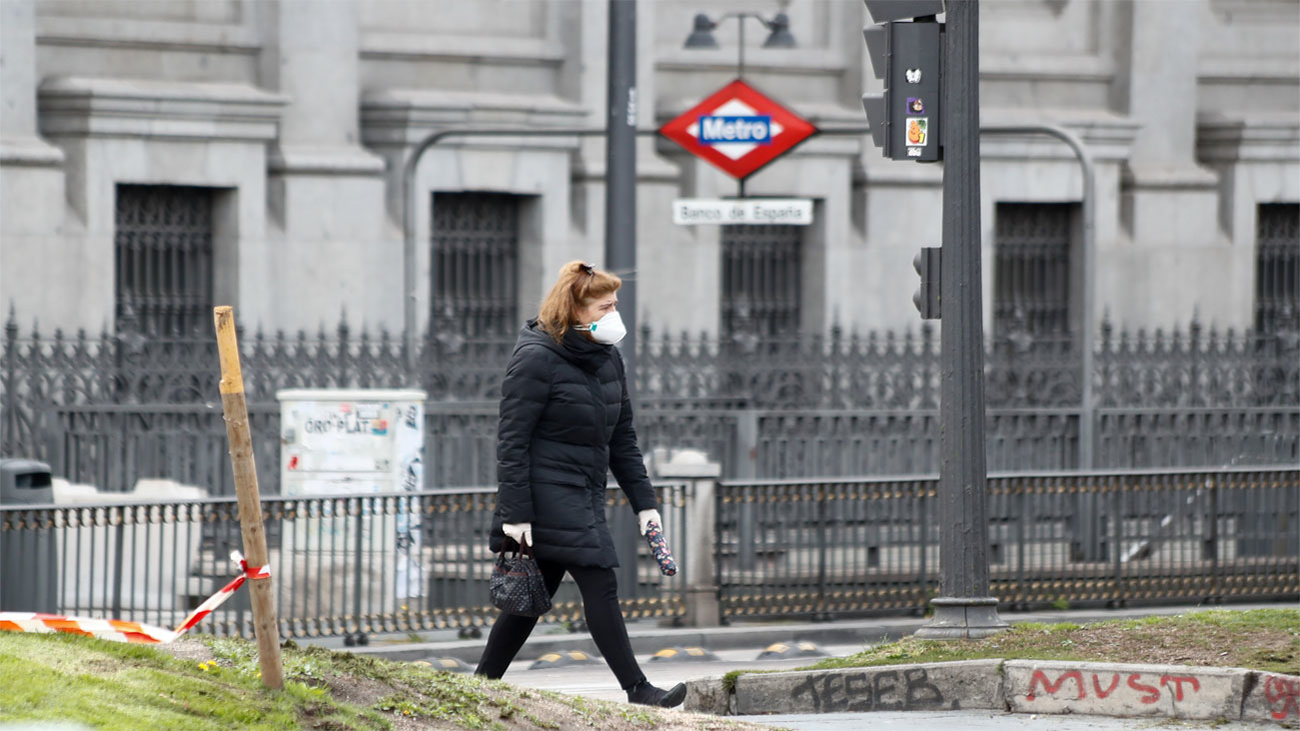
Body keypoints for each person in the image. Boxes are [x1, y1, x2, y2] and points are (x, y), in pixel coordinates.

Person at [475, 260, 686, 708]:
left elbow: (622, 438)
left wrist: (644, 503)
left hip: (583, 492)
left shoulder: (606, 358)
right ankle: (638, 689)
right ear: (575, 308)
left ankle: (479, 684)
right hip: (545, 494)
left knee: (528, 600)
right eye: (605, 306)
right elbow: (511, 442)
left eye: (615, 305)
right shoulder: (535, 358)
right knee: (600, 581)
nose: (614, 314)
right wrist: (514, 514)